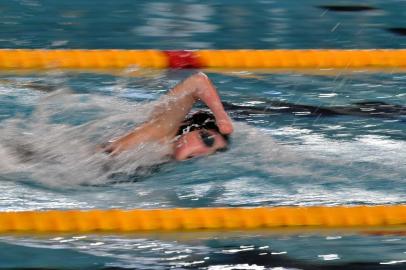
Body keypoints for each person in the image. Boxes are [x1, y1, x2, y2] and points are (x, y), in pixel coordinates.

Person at [102, 72, 234, 161]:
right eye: (207, 139)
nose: (201, 150)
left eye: (210, 152)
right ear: (192, 128)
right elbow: (198, 82)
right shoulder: (164, 129)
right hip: (95, 161)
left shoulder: (163, 158)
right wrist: (221, 118)